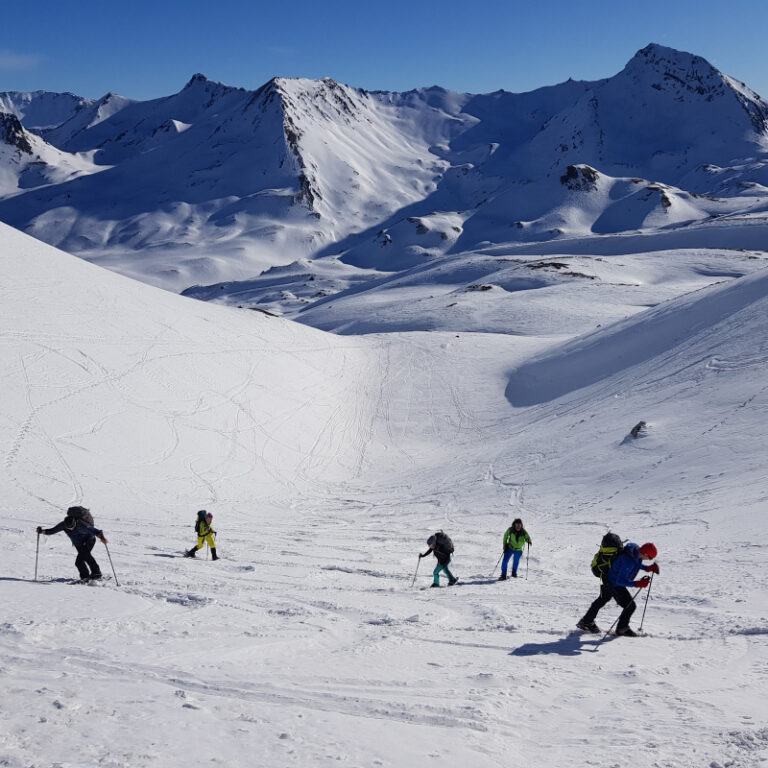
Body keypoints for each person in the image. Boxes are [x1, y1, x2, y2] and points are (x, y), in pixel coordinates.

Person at [577, 541, 659, 637]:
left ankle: (586, 621)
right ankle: (622, 629)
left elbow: (636, 563)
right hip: (613, 583)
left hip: (608, 578)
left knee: (603, 599)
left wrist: (647, 568)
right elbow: (620, 581)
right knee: (630, 606)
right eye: (650, 557)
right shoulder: (628, 560)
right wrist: (637, 583)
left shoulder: (635, 551)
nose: (649, 559)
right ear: (645, 553)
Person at [37, 506, 107, 581]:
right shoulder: (63, 525)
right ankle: (90, 575)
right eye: (69, 528)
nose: (71, 529)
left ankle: (91, 575)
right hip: (78, 544)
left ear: (75, 523)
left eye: (72, 527)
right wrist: (42, 531)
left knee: (80, 560)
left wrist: (102, 537)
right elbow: (52, 530)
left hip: (89, 540)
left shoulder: (82, 524)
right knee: (83, 559)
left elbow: (95, 530)